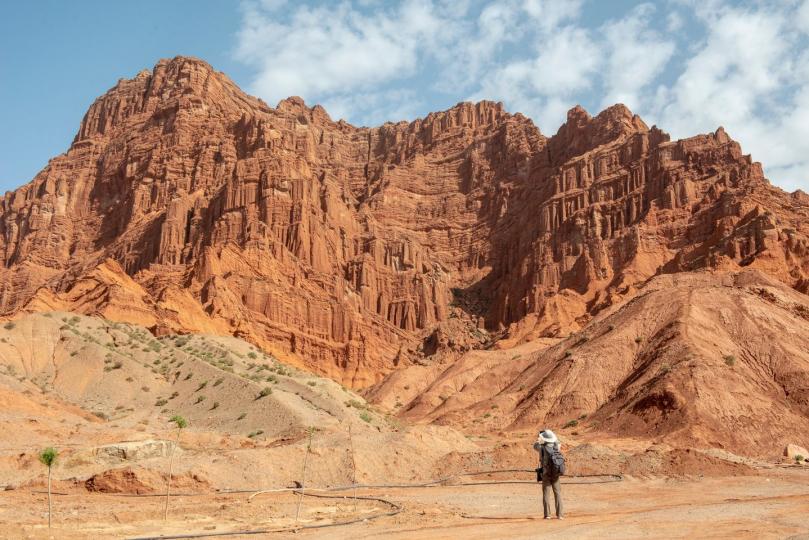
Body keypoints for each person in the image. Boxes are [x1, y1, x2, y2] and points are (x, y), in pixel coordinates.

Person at [533, 429, 564, 519]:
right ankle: (560, 515)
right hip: (556, 472)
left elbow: (535, 446)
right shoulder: (556, 446)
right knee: (557, 493)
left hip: (546, 473)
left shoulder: (541, 447)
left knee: (546, 494)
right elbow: (558, 442)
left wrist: (539, 439)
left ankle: (547, 515)